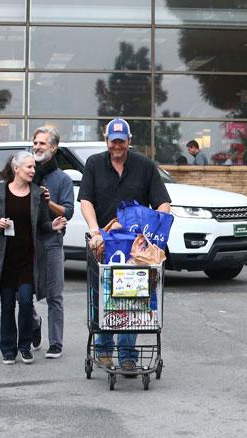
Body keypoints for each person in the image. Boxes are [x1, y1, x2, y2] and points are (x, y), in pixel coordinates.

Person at [78, 117, 171, 372]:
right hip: (104, 244)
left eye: (121, 141)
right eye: (112, 141)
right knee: (104, 295)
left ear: (129, 141)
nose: (117, 145)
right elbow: (85, 201)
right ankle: (105, 350)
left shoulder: (145, 166)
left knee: (132, 297)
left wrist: (152, 233)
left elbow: (163, 203)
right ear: (106, 140)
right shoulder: (94, 164)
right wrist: (94, 231)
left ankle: (128, 355)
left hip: (134, 249)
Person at [0, 151, 67, 365]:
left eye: (33, 167)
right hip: (5, 259)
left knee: (27, 303)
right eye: (28, 167)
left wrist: (53, 226)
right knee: (7, 305)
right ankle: (8, 349)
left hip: (28, 259)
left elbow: (43, 225)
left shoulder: (37, 194)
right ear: (16, 168)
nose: (32, 170)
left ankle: (25, 346)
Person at [30, 126, 74, 359]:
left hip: (52, 241)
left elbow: (68, 211)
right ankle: (34, 323)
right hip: (27, 242)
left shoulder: (63, 179)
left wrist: (48, 202)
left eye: (42, 143)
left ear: (53, 148)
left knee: (54, 295)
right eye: (35, 143)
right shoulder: (26, 173)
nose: (37, 147)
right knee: (23, 294)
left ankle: (55, 343)